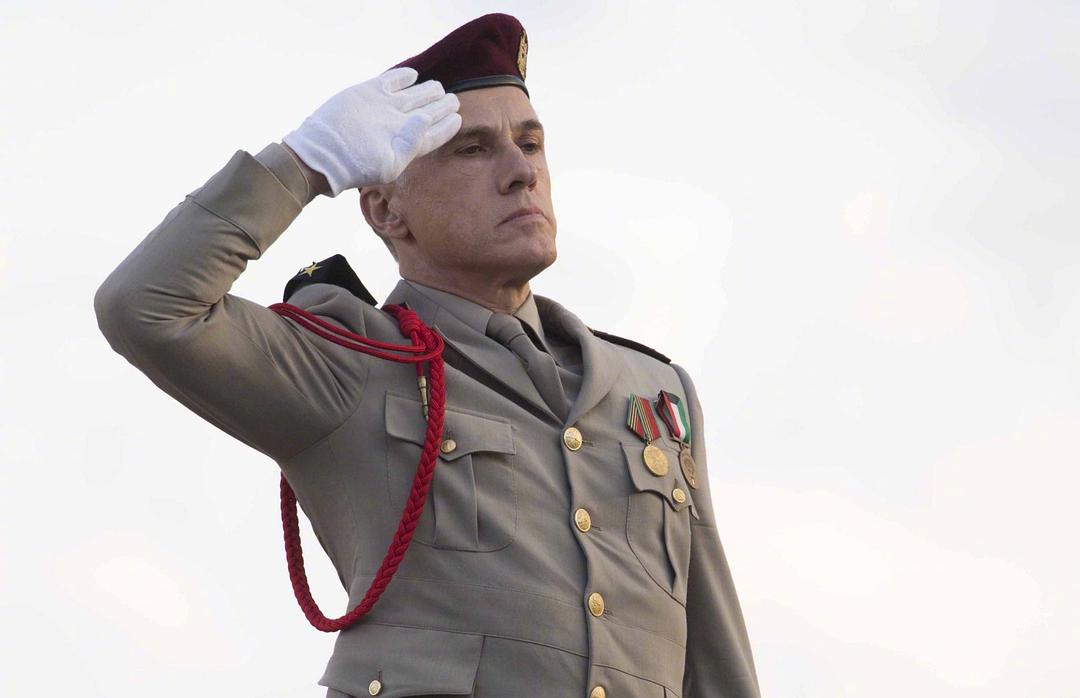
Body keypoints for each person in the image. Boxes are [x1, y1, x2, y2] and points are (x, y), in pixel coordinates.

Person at [93, 12, 760, 698]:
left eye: (530, 144)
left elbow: (715, 661)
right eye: (473, 149)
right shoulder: (349, 361)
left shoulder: (651, 390)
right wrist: (303, 164)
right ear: (386, 210)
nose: (520, 173)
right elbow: (144, 306)